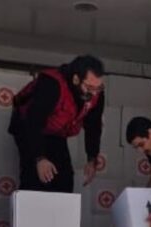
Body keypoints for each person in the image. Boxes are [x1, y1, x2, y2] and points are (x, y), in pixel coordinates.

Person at [9, 55, 106, 192]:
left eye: (98, 87)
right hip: (28, 126)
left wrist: (92, 158)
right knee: (35, 175)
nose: (94, 93)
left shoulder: (96, 94)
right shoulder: (52, 84)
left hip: (55, 132)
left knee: (64, 179)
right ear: (76, 79)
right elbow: (33, 120)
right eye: (89, 87)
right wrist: (39, 158)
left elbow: (93, 126)